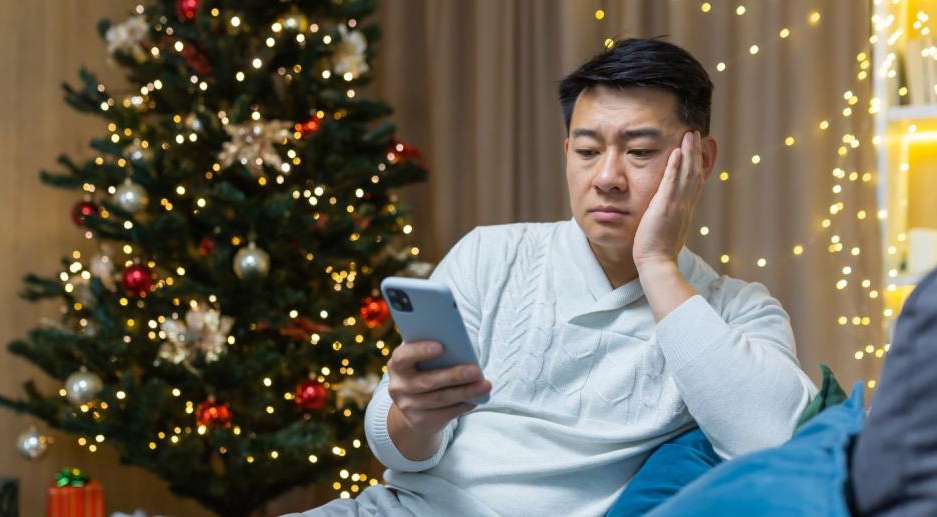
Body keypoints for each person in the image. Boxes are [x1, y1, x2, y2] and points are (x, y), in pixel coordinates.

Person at [289, 37, 817, 517]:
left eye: (639, 152)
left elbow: (775, 442)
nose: (606, 178)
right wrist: (414, 419)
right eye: (587, 151)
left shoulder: (738, 309)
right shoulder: (489, 254)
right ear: (567, 154)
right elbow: (391, 440)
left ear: (700, 159)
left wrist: (656, 263)